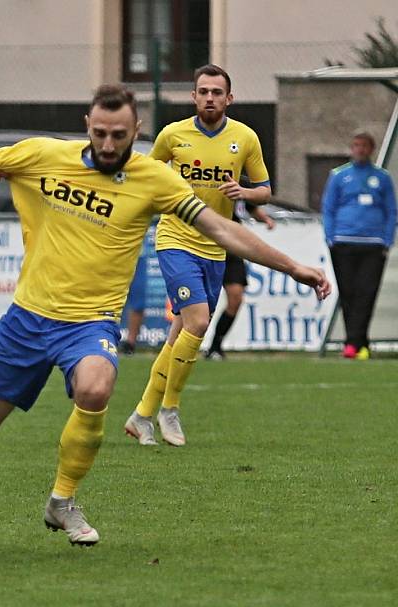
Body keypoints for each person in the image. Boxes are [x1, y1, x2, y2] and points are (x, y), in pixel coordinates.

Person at [0, 83, 330, 550]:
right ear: (87, 125)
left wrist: (294, 267)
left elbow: (223, 228)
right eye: (100, 133)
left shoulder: (155, 179)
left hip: (91, 324)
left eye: (119, 135)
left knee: (96, 386)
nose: (108, 144)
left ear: (136, 130)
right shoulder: (42, 155)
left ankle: (62, 501)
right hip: (27, 319)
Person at [124, 64, 272, 447]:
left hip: (216, 245)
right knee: (198, 321)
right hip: (175, 238)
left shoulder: (246, 137)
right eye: (203, 91)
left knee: (180, 335)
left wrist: (245, 192)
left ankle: (142, 415)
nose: (209, 98)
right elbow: (146, 176)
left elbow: (265, 190)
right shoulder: (173, 135)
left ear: (229, 98)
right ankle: (169, 409)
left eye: (216, 92)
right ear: (193, 97)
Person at [322, 131, 397, 360]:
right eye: (356, 145)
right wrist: (330, 237)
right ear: (351, 148)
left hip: (373, 245)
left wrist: (386, 239)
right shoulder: (338, 175)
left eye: (364, 146)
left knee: (367, 293)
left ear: (371, 149)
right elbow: (328, 207)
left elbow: (391, 210)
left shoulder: (382, 177)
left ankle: (353, 343)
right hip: (344, 242)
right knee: (348, 293)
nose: (360, 150)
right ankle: (357, 343)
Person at [204, 202, 275, 360]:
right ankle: (180, 346)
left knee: (235, 298)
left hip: (231, 247)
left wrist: (266, 219)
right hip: (204, 244)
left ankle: (215, 346)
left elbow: (251, 204)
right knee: (200, 303)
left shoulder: (237, 181)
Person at [118, 255, 147, 355]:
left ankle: (130, 345)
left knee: (138, 302)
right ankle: (101, 339)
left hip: (137, 255)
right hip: (110, 254)